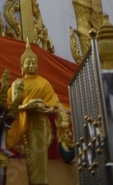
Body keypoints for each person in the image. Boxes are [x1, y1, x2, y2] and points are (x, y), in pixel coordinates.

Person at [6, 44, 71, 185]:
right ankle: (34, 182)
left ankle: (41, 182)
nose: (31, 65)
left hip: (41, 124)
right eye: (28, 63)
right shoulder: (17, 84)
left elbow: (52, 106)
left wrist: (46, 109)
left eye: (34, 62)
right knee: (30, 157)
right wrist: (26, 106)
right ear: (21, 66)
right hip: (25, 122)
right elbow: (12, 106)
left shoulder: (44, 83)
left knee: (39, 157)